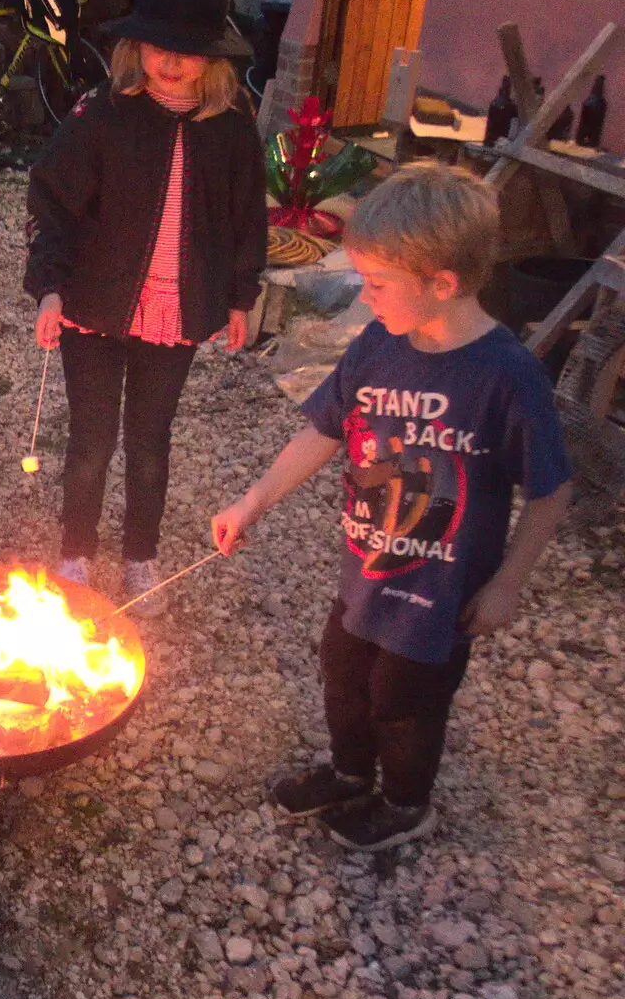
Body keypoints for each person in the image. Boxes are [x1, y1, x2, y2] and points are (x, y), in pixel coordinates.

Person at [212, 162, 572, 851]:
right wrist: (254, 499)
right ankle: (351, 772)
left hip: (441, 590)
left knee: (403, 701)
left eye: (377, 284)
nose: (364, 295)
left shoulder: (506, 375)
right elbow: (325, 428)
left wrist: (507, 585)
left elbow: (553, 487)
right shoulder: (380, 345)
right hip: (369, 570)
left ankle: (406, 803)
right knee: (343, 672)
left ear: (442, 283)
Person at [25, 0, 266, 614]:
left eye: (186, 50)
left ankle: (140, 556)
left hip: (176, 311)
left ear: (212, 55)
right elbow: (52, 204)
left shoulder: (234, 131)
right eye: (158, 44)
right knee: (91, 443)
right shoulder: (101, 116)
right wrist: (49, 287)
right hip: (94, 307)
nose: (169, 60)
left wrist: (243, 296)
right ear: (137, 45)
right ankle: (76, 554)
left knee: (150, 445)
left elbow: (248, 220)